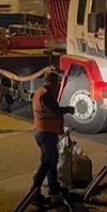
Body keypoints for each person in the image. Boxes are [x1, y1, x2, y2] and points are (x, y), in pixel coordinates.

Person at [31, 71, 74, 203]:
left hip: (45, 131)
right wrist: (68, 109)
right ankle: (34, 193)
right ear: (53, 82)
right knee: (47, 162)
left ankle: (53, 187)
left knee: (52, 160)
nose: (58, 85)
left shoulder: (41, 92)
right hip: (45, 132)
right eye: (57, 82)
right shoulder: (46, 95)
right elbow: (55, 110)